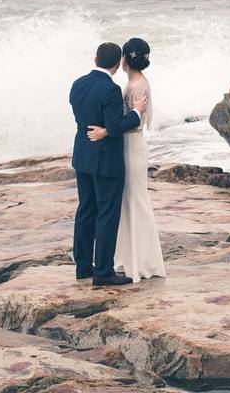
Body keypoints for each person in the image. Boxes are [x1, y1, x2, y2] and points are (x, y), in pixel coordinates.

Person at [87, 37, 166, 283]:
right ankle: (129, 257)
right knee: (128, 202)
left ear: (125, 60)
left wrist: (104, 132)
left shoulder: (136, 87)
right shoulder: (133, 82)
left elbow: (133, 123)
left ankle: (142, 261)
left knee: (135, 200)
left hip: (131, 146)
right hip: (128, 146)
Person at [69, 42, 147, 286]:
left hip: (82, 156)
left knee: (85, 211)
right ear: (116, 64)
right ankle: (103, 272)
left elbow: (79, 114)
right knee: (106, 214)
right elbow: (113, 128)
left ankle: (83, 267)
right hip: (106, 162)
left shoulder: (78, 84)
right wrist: (135, 113)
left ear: (95, 60)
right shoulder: (110, 90)